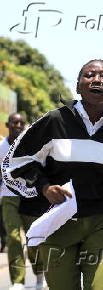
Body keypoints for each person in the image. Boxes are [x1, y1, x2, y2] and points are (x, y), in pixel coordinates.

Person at [2, 59, 103, 290]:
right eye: (89, 75)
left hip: (101, 222)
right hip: (58, 222)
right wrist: (45, 187)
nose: (97, 80)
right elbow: (18, 161)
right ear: (78, 86)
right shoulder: (54, 121)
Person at [0, 113, 46, 290]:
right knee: (13, 238)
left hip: (29, 196)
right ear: (8, 124)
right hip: (8, 196)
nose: (18, 125)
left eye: (21, 122)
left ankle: (40, 273)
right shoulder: (1, 147)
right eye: (14, 122)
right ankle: (18, 281)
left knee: (33, 238)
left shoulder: (31, 144)